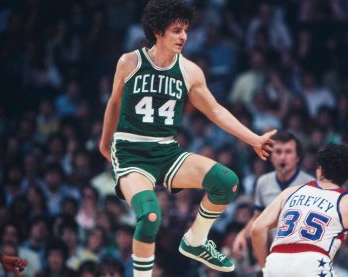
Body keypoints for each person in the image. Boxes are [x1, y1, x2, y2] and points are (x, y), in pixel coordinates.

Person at [99, 0, 276, 275]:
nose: (184, 36)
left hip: (167, 152)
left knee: (226, 182)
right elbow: (113, 103)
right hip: (131, 152)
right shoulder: (130, 61)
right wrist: (104, 141)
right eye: (176, 30)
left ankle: (195, 241)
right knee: (151, 216)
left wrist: (253, 138)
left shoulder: (190, 71)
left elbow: (215, 110)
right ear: (158, 31)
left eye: (186, 30)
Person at [251, 143, 348, 276]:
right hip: (313, 263)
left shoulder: (290, 192)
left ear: (320, 169)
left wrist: (265, 265)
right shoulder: (345, 201)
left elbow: (257, 228)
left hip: (276, 261)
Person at [232, 131, 314, 260]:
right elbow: (257, 217)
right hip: (274, 253)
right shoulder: (263, 182)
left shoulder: (311, 185)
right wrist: (242, 235)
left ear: (298, 157)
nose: (282, 157)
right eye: (278, 152)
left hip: (303, 254)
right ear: (271, 157)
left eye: (288, 152)